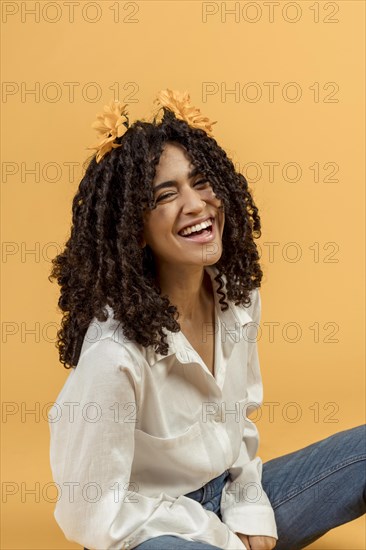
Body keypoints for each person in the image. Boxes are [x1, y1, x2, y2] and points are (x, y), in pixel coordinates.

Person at [48, 89, 365, 550]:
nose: (196, 205)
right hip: (145, 528)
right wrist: (220, 536)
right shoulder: (113, 354)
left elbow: (235, 427)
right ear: (134, 228)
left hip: (227, 496)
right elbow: (91, 510)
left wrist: (249, 509)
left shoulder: (236, 299)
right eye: (166, 195)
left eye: (201, 182)